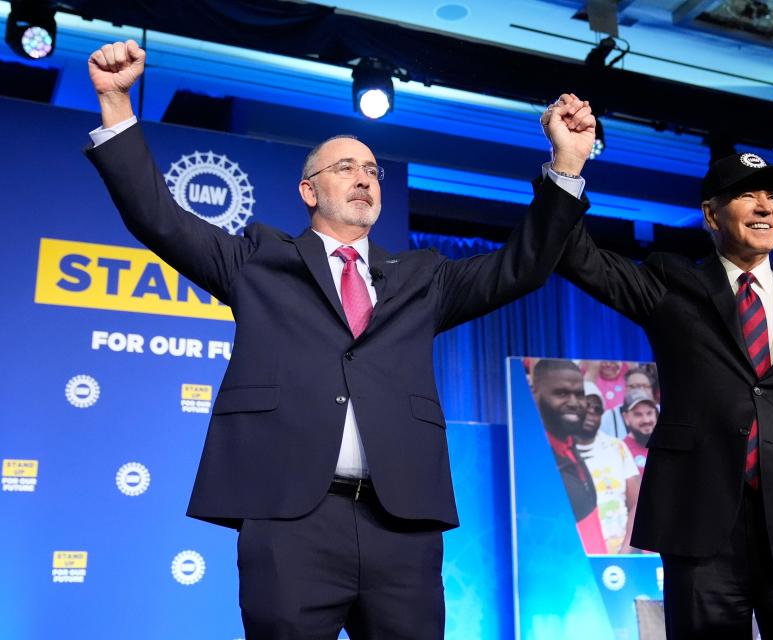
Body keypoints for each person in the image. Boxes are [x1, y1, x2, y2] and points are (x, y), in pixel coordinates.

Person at [86, 40, 596, 639]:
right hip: (290, 520)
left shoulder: (422, 279)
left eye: (373, 171)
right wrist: (117, 103)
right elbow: (158, 216)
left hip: (400, 525)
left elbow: (524, 265)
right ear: (309, 191)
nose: (364, 179)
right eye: (345, 168)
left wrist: (566, 167)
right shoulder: (258, 260)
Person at [550, 147, 773, 639]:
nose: (764, 207)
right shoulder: (673, 285)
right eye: (746, 195)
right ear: (711, 214)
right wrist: (567, 164)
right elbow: (575, 255)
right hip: (701, 533)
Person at [531, 359, 606, 554]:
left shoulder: (570, 445)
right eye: (561, 393)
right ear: (534, 394)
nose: (574, 403)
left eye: (579, 395)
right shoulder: (532, 458)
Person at [576, 381, 641, 554]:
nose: (591, 412)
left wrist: (627, 549)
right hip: (577, 556)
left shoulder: (616, 447)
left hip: (621, 554)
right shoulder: (559, 451)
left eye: (597, 409)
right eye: (587, 405)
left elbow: (636, 503)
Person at [621, 387, 659, 475]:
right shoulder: (621, 451)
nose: (646, 420)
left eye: (649, 413)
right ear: (626, 418)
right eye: (638, 415)